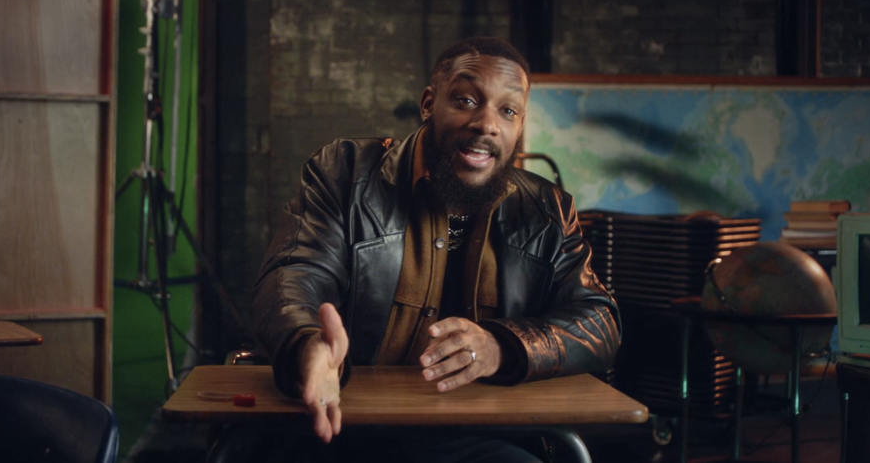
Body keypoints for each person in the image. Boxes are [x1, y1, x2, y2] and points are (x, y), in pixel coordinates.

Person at [252, 37, 620, 462]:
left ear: (520, 125)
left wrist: (503, 348)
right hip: (345, 423)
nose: (487, 124)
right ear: (429, 103)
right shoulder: (344, 173)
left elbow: (599, 320)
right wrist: (307, 345)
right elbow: (292, 276)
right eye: (466, 100)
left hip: (480, 435)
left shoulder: (549, 210)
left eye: (508, 110)